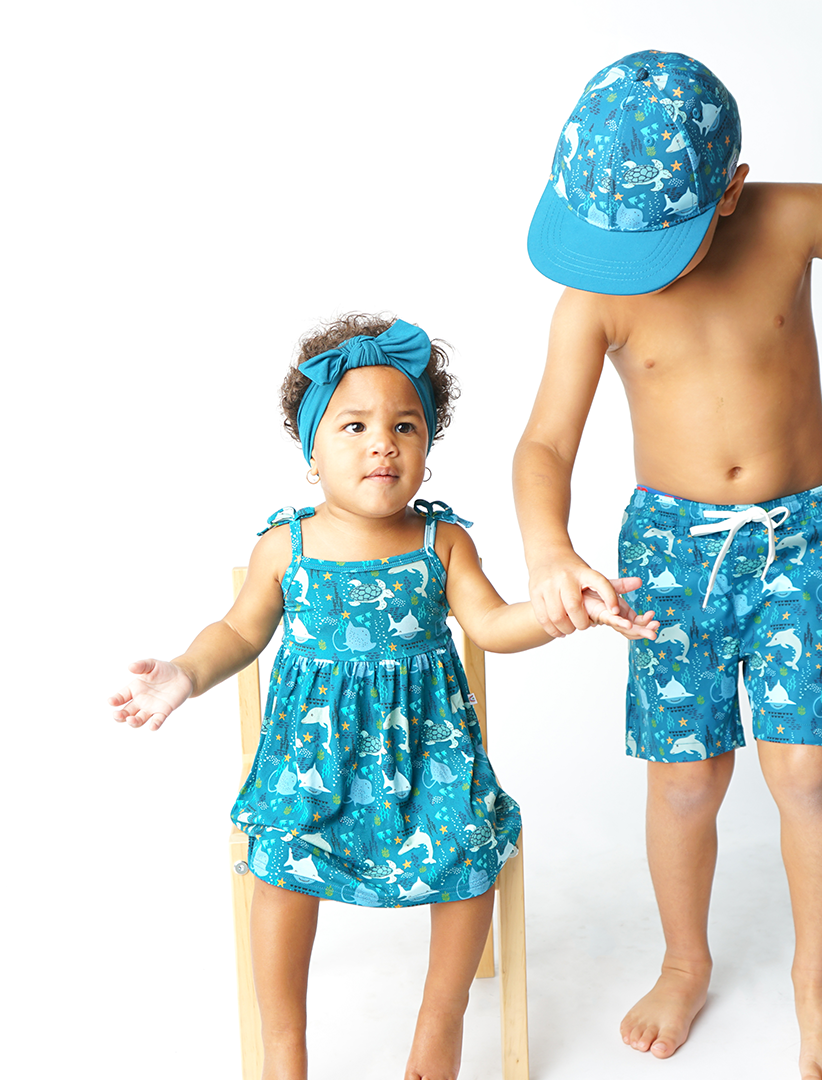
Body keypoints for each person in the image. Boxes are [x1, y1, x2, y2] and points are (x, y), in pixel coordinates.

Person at [515, 49, 822, 1080]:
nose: (633, 270)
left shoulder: (792, 220)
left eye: (657, 245)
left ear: (733, 190)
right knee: (684, 783)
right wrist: (549, 546)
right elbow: (543, 445)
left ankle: (819, 981)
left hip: (801, 536)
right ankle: (684, 960)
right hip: (670, 557)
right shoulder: (595, 298)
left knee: (808, 769)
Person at [110, 314, 657, 1080]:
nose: (382, 443)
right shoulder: (285, 546)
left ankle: (441, 1024)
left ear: (426, 453)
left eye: (405, 426)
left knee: (470, 848)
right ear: (311, 452)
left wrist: (563, 610)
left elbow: (495, 625)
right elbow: (237, 631)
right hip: (310, 769)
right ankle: (283, 1047)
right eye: (355, 425)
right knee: (278, 862)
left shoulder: (443, 544)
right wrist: (183, 673)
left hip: (428, 763)